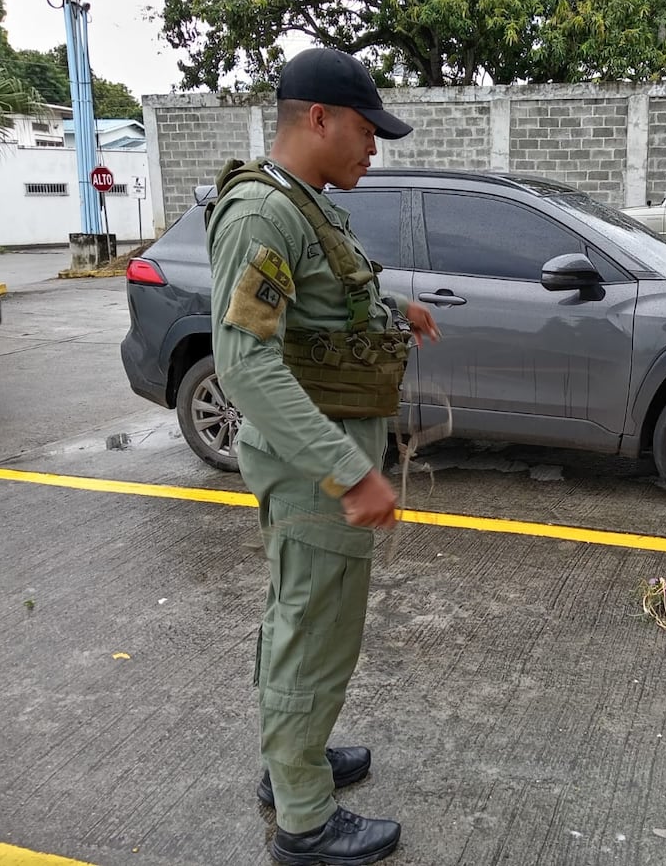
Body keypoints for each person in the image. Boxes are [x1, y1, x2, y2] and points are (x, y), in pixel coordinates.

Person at [206, 47, 439, 866]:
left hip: (326, 454)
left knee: (307, 619)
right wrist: (350, 472)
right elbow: (245, 364)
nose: (373, 148)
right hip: (316, 466)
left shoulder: (303, 206)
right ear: (319, 119)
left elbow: (324, 297)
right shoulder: (262, 217)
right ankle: (303, 819)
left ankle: (292, 760)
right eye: (367, 132)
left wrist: (393, 306)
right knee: (313, 632)